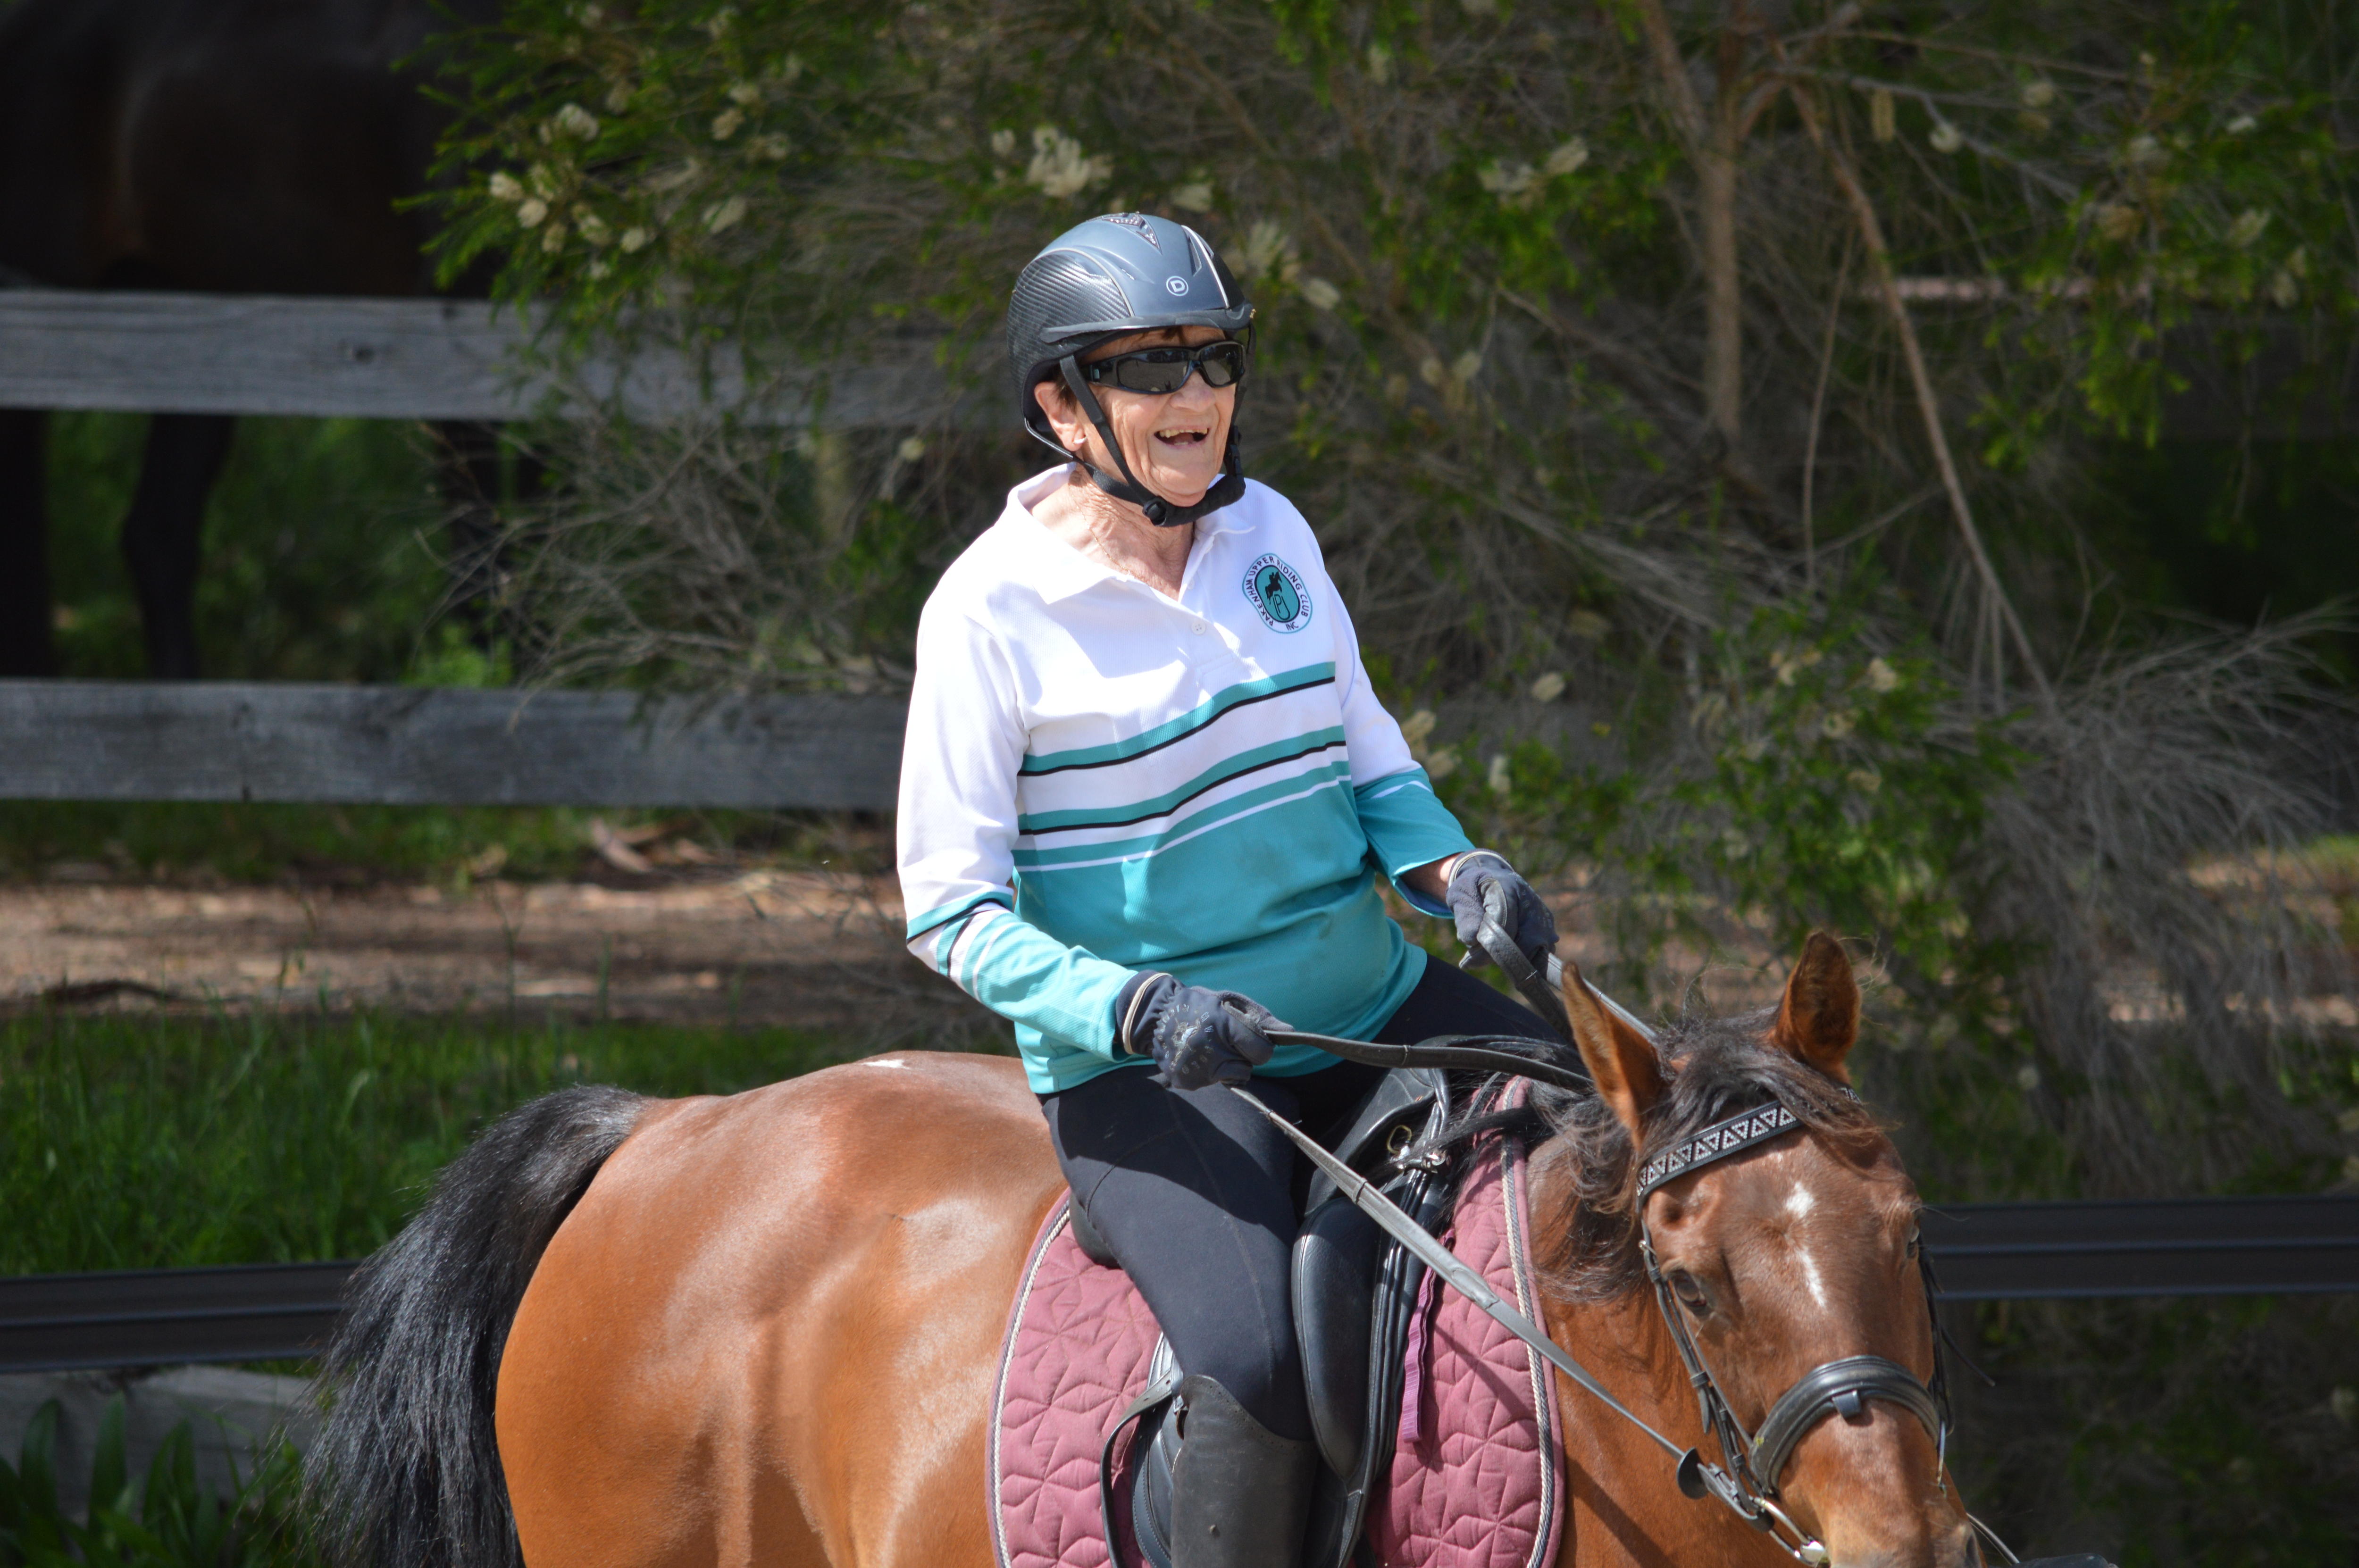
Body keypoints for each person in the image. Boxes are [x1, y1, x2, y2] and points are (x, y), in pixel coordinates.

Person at [896, 212, 1560, 1568]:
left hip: (1372, 1003)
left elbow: (1371, 762)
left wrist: (1459, 869)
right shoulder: (988, 613)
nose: (1196, 397)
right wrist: (1135, 1009)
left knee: (1630, 1151)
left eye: (1214, 359)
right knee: (1254, 1365)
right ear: (1062, 408)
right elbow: (949, 911)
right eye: (1149, 369)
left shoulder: (1273, 532)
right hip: (1162, 1072)